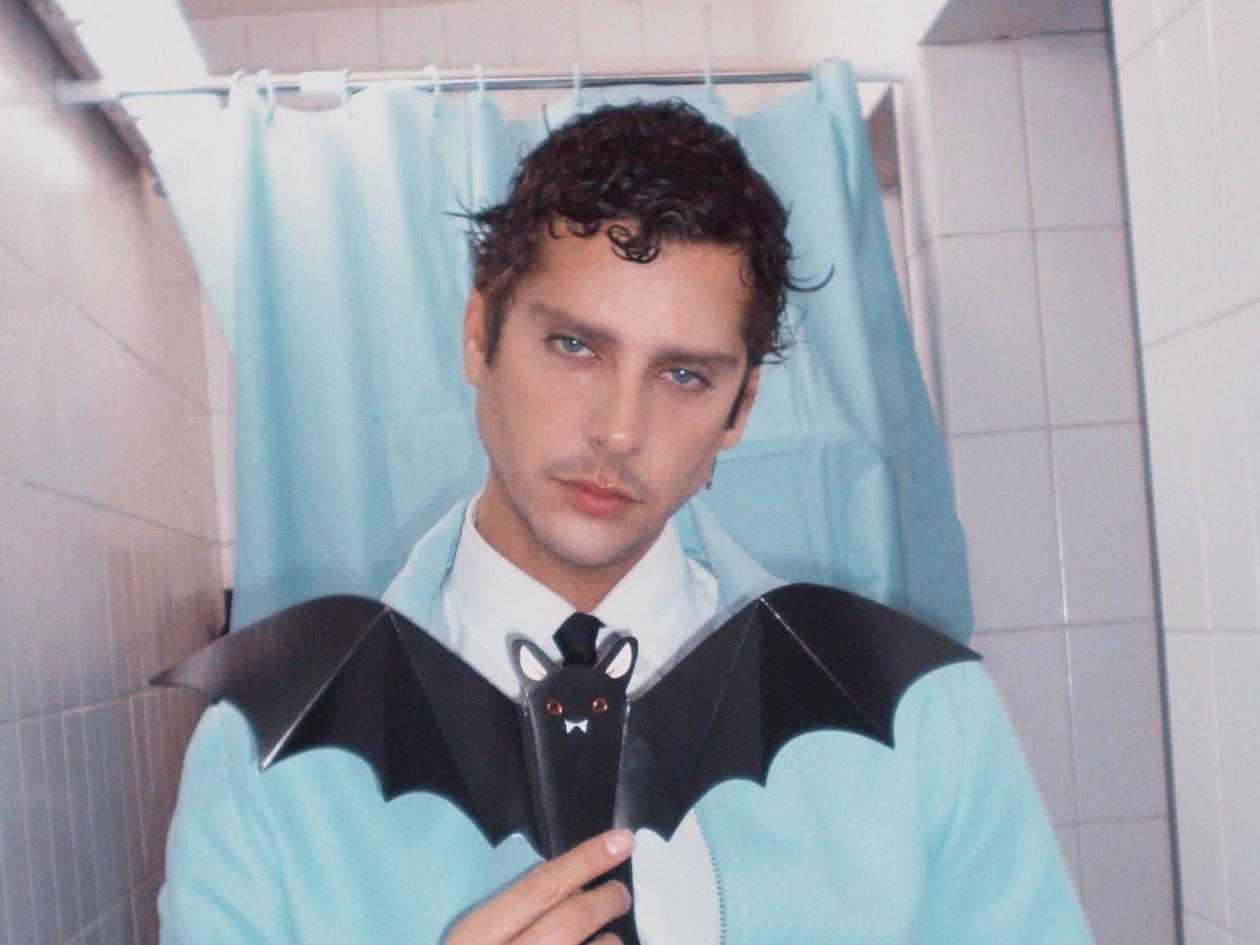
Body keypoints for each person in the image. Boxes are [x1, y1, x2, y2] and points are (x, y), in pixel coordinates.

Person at [158, 100, 1094, 945]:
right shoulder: (265, 753)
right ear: (480, 334)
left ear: (739, 409)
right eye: (574, 345)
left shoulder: (920, 713)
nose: (618, 429)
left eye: (683, 374)